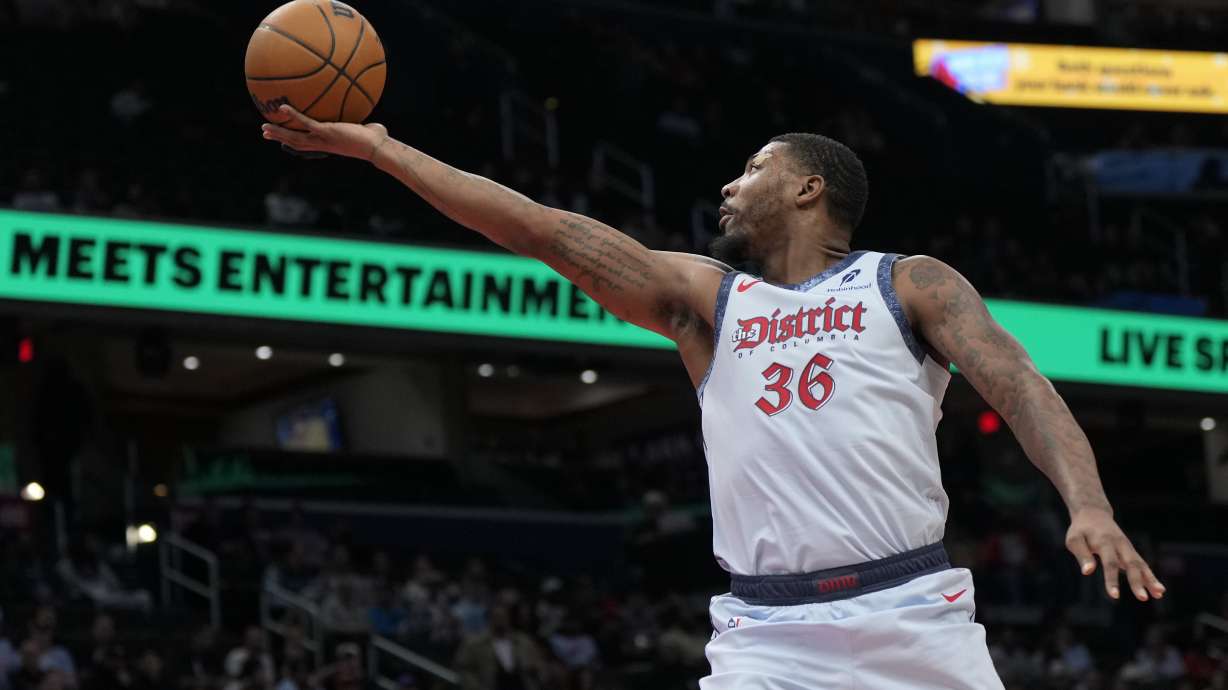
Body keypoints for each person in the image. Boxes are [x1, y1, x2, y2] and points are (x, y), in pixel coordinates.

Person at [261, 106, 1166, 689]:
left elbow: (1017, 382)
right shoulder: (708, 301)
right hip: (765, 635)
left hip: (911, 618)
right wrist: (383, 151)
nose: (729, 185)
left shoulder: (910, 282)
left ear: (810, 188)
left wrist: (1088, 505)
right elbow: (547, 232)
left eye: (754, 167)